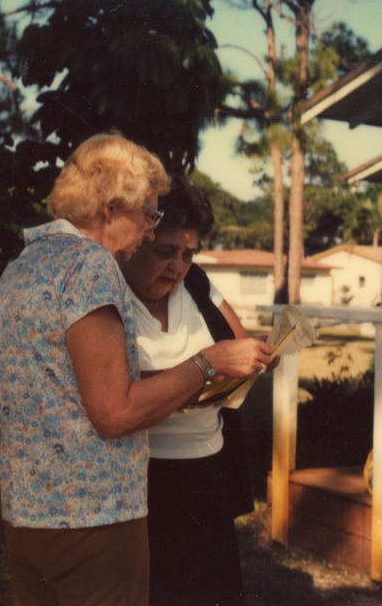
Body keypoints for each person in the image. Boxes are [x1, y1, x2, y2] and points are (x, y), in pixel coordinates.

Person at [0, 133, 273, 606]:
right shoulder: (91, 266)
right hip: (94, 520)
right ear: (110, 209)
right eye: (148, 214)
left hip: (27, 515)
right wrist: (207, 363)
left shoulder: (22, 265)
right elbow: (114, 412)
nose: (148, 229)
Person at [119, 175, 274, 605]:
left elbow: (236, 344)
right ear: (136, 241)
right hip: (147, 480)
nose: (177, 266)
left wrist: (254, 358)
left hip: (209, 470)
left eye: (188, 254)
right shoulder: (111, 295)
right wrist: (205, 368)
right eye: (165, 251)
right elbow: (115, 393)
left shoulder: (198, 282)